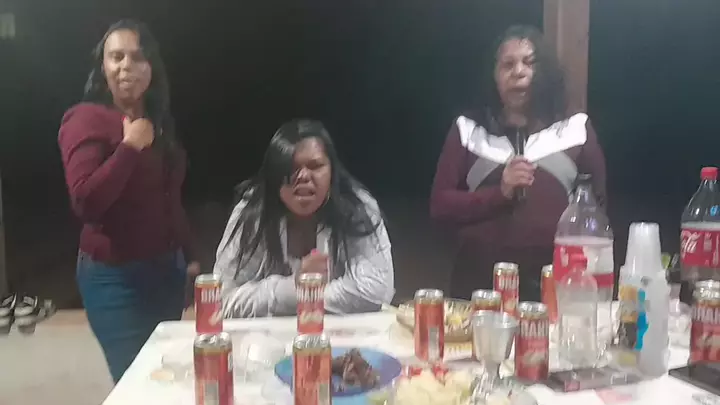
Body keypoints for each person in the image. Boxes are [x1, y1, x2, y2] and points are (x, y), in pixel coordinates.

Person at [58, 20, 199, 383]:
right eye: (116, 56)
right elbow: (86, 201)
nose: (126, 66)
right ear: (102, 66)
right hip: (115, 280)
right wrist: (129, 147)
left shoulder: (157, 120)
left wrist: (190, 257)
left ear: (151, 67)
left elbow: (169, 197)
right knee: (136, 383)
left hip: (166, 272)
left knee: (165, 375)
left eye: (137, 57)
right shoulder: (85, 119)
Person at [430, 25, 607, 302]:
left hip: (555, 288)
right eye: (507, 65)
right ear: (494, 76)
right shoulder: (469, 130)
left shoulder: (574, 129)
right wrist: (499, 194)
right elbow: (440, 207)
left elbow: (597, 215)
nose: (518, 72)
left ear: (545, 72)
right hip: (478, 289)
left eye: (529, 63)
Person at [213, 119, 395, 317]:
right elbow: (220, 299)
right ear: (273, 176)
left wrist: (307, 293)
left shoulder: (358, 209)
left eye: (315, 166)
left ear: (332, 172)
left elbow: (376, 290)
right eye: (290, 168)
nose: (303, 176)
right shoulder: (253, 212)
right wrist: (291, 288)